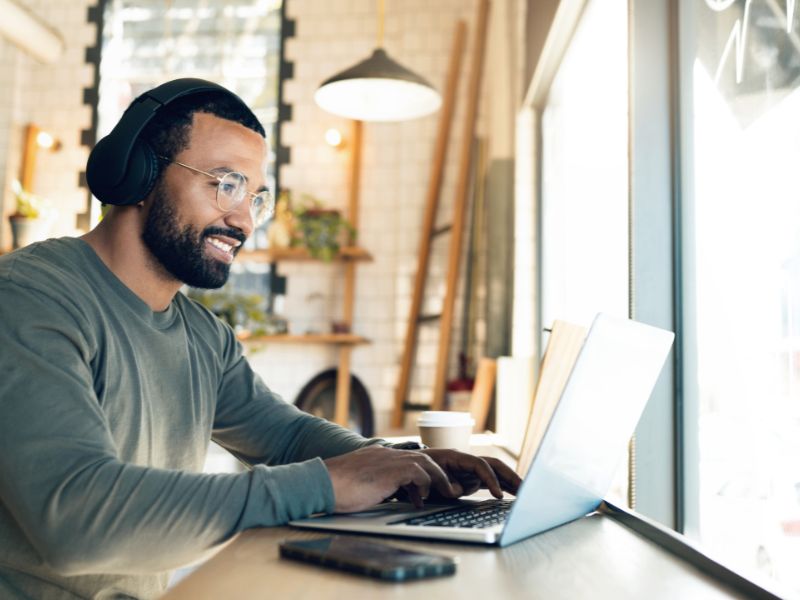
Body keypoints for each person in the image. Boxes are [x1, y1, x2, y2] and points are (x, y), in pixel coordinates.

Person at [0, 78, 521, 599]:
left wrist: (400, 463)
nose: (244, 219)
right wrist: (326, 484)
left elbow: (287, 438)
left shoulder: (203, 336)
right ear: (138, 174)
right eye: (225, 184)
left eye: (256, 198)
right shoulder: (30, 298)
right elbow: (75, 522)